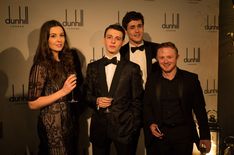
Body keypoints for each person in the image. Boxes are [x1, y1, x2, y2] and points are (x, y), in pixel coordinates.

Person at [143, 42, 211, 155]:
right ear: (157, 59)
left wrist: (205, 136)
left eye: (169, 57)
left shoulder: (191, 79)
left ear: (177, 57)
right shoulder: (152, 80)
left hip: (184, 136)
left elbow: (200, 109)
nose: (165, 61)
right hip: (159, 137)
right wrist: (151, 123)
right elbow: (146, 105)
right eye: (161, 57)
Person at [85, 23, 143, 155]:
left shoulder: (132, 68)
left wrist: (134, 127)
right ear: (104, 39)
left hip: (125, 129)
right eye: (109, 37)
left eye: (117, 38)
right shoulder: (92, 67)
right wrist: (97, 101)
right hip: (99, 128)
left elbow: (137, 101)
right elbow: (87, 95)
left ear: (122, 42)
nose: (113, 41)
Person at [27, 20, 82, 155]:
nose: (59, 40)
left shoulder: (66, 61)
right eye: (53, 36)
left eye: (61, 35)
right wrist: (63, 91)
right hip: (52, 125)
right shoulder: (41, 66)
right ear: (45, 39)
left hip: (69, 123)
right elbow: (32, 104)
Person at [120, 11, 160, 154]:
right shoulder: (120, 52)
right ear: (126, 30)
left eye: (139, 26)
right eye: (132, 27)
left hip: (154, 107)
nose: (137, 30)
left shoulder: (157, 49)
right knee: (128, 149)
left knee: (155, 149)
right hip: (130, 109)